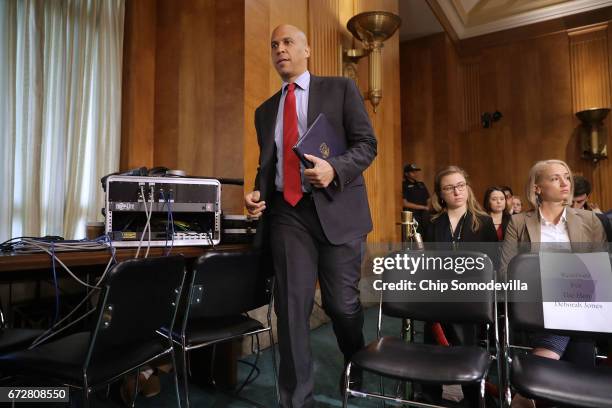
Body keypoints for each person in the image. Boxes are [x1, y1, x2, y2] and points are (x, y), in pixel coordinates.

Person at [244, 24, 377, 408]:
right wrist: (258, 193)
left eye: (287, 43)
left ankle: (357, 367)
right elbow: (266, 166)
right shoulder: (265, 111)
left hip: (338, 210)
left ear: (306, 51)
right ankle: (296, 400)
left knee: (341, 306)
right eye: (274, 45)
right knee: (291, 307)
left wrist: (334, 168)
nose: (279, 50)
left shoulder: (340, 89)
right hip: (288, 215)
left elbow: (367, 144)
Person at [501, 160, 606, 408]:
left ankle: (530, 388)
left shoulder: (590, 220)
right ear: (537, 188)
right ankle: (534, 391)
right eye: (555, 178)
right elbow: (506, 271)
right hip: (536, 303)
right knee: (581, 349)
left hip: (583, 302)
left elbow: (600, 270)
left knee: (579, 340)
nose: (565, 183)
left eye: (567, 177)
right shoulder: (519, 222)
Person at [423, 166, 497, 407]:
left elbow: (491, 265)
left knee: (467, 351)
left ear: (467, 188)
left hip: (470, 299)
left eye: (460, 185)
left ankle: (473, 397)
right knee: (432, 350)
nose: (456, 191)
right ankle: (430, 396)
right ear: (440, 194)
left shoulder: (483, 222)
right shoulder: (431, 222)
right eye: (449, 188)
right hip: (437, 296)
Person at [572, 175, 612, 241]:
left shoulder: (601, 219)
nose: (574, 207)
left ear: (587, 198)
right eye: (571, 202)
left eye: (579, 202)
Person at [402, 163, 430, 232]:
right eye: (412, 172)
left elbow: (428, 198)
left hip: (424, 215)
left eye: (416, 171)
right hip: (412, 216)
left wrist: (428, 208)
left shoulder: (421, 184)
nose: (415, 173)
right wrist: (424, 207)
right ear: (406, 174)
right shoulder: (403, 185)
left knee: (425, 235)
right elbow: (405, 203)